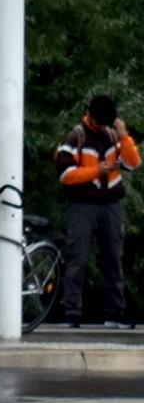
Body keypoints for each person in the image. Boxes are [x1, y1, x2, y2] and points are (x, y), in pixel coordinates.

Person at [53, 92, 139, 327]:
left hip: (111, 204)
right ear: (90, 117)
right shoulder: (75, 138)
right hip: (83, 205)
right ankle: (72, 312)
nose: (102, 126)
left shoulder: (113, 136)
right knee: (77, 258)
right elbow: (65, 175)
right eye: (99, 122)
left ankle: (115, 312)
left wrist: (124, 136)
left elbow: (133, 163)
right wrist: (96, 171)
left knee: (114, 257)